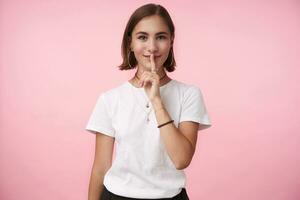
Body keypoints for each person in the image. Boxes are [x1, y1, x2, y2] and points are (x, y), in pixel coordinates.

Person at [85, 3, 212, 200]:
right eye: (142, 37)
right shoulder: (110, 99)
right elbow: (100, 168)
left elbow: (181, 159)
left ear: (171, 41)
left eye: (160, 37)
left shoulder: (189, 94)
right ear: (130, 43)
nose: (152, 47)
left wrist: (156, 101)